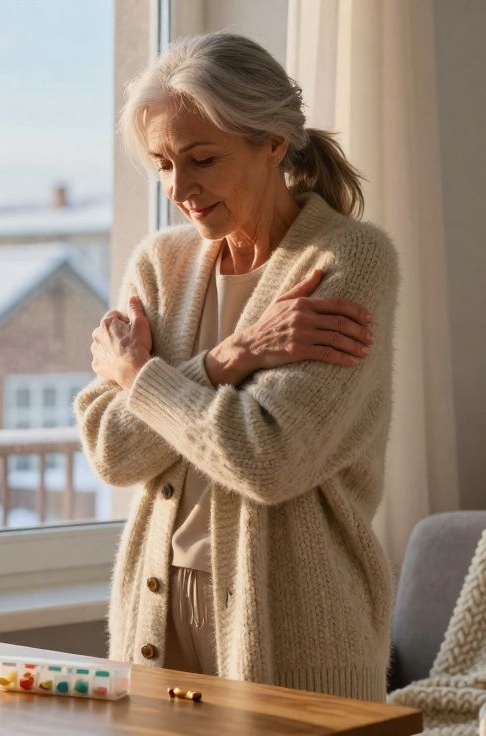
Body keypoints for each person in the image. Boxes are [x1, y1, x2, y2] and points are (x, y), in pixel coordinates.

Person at [74, 31, 400, 701]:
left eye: (201, 159)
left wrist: (140, 378)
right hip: (154, 618)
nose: (178, 187)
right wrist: (233, 357)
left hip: (299, 629)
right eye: (163, 163)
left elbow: (268, 458)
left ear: (272, 142)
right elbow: (112, 450)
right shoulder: (160, 266)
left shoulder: (347, 263)